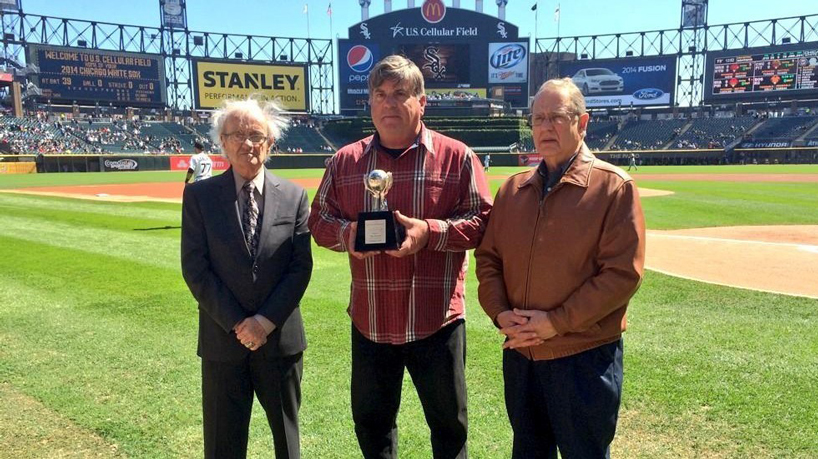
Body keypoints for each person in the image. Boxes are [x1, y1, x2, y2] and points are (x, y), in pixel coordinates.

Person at [308, 55, 492, 459]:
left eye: (401, 94)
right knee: (373, 430)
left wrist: (430, 232)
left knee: (449, 428)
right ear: (371, 104)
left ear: (421, 102)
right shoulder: (345, 162)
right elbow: (319, 220)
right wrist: (347, 233)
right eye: (381, 94)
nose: (389, 103)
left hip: (436, 320)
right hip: (372, 320)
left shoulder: (457, 156)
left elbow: (483, 222)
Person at [474, 78, 645, 458]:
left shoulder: (613, 187)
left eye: (557, 117)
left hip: (583, 357)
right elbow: (488, 259)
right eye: (537, 119)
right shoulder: (512, 190)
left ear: (582, 123)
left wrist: (556, 322)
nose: (545, 127)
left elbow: (622, 274)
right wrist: (501, 315)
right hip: (522, 356)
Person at [181, 97, 313, 459]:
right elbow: (195, 268)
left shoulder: (295, 196)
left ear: (271, 143)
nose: (247, 142)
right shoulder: (199, 196)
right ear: (221, 141)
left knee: (288, 444)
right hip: (223, 343)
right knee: (223, 445)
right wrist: (240, 323)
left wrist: (265, 323)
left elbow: (300, 268)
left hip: (280, 343)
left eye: (256, 134)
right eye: (236, 134)